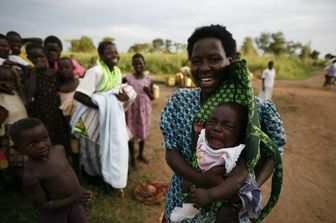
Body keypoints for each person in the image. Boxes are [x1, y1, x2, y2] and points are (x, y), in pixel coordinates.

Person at [160, 25, 286, 223]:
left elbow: (273, 151)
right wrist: (201, 179)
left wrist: (245, 189)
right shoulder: (180, 101)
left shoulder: (254, 109)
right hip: (182, 201)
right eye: (196, 61)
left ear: (232, 60)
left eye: (214, 59)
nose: (204, 67)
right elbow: (171, 152)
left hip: (229, 211)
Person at [170, 103, 263, 223]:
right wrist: (197, 133)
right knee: (187, 184)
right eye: (212, 122)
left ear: (240, 134)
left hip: (225, 196)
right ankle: (189, 212)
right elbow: (198, 147)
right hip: (202, 187)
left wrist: (210, 195)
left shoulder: (237, 154)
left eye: (227, 126)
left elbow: (236, 182)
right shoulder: (205, 138)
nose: (216, 128)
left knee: (226, 214)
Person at [72, 41, 135, 189]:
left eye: (115, 52)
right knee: (93, 148)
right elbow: (79, 95)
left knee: (109, 146)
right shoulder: (95, 71)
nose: (114, 55)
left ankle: (109, 174)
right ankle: (94, 177)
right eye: (109, 53)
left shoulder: (117, 71)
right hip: (93, 117)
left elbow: (115, 91)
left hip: (110, 118)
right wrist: (102, 105)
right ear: (101, 55)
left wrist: (123, 97)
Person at [8, 117, 92, 223]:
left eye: (45, 138)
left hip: (75, 205)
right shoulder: (31, 175)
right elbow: (43, 206)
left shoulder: (59, 150)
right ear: (18, 149)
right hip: (55, 214)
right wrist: (74, 199)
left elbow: (67, 173)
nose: (42, 145)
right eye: (32, 144)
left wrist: (78, 190)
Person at [24, 43, 71, 155]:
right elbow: (31, 92)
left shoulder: (56, 73)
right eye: (35, 58)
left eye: (42, 57)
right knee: (46, 138)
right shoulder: (31, 74)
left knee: (60, 138)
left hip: (56, 111)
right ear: (30, 59)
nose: (39, 60)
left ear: (46, 56)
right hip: (41, 112)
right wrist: (34, 71)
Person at [123, 53, 154, 169]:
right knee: (131, 133)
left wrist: (148, 91)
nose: (138, 66)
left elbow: (152, 97)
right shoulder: (128, 78)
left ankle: (140, 155)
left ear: (144, 63)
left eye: (140, 63)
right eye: (135, 63)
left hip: (144, 111)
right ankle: (132, 159)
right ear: (132, 64)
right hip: (131, 110)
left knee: (142, 132)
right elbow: (118, 86)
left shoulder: (149, 80)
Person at [0, 65, 28, 190]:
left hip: (22, 130)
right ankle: (17, 184)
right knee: (16, 163)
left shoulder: (16, 93)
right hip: (10, 134)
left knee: (24, 160)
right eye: (3, 81)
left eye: (10, 80)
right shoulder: (1, 99)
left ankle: (22, 183)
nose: (7, 84)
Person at [57, 57, 81, 171]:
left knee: (87, 147)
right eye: (61, 68)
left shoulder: (81, 82)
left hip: (87, 120)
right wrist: (70, 128)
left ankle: (88, 169)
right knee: (75, 148)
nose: (64, 70)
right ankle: (76, 172)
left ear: (73, 68)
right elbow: (65, 114)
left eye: (67, 67)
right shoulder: (61, 90)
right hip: (73, 124)